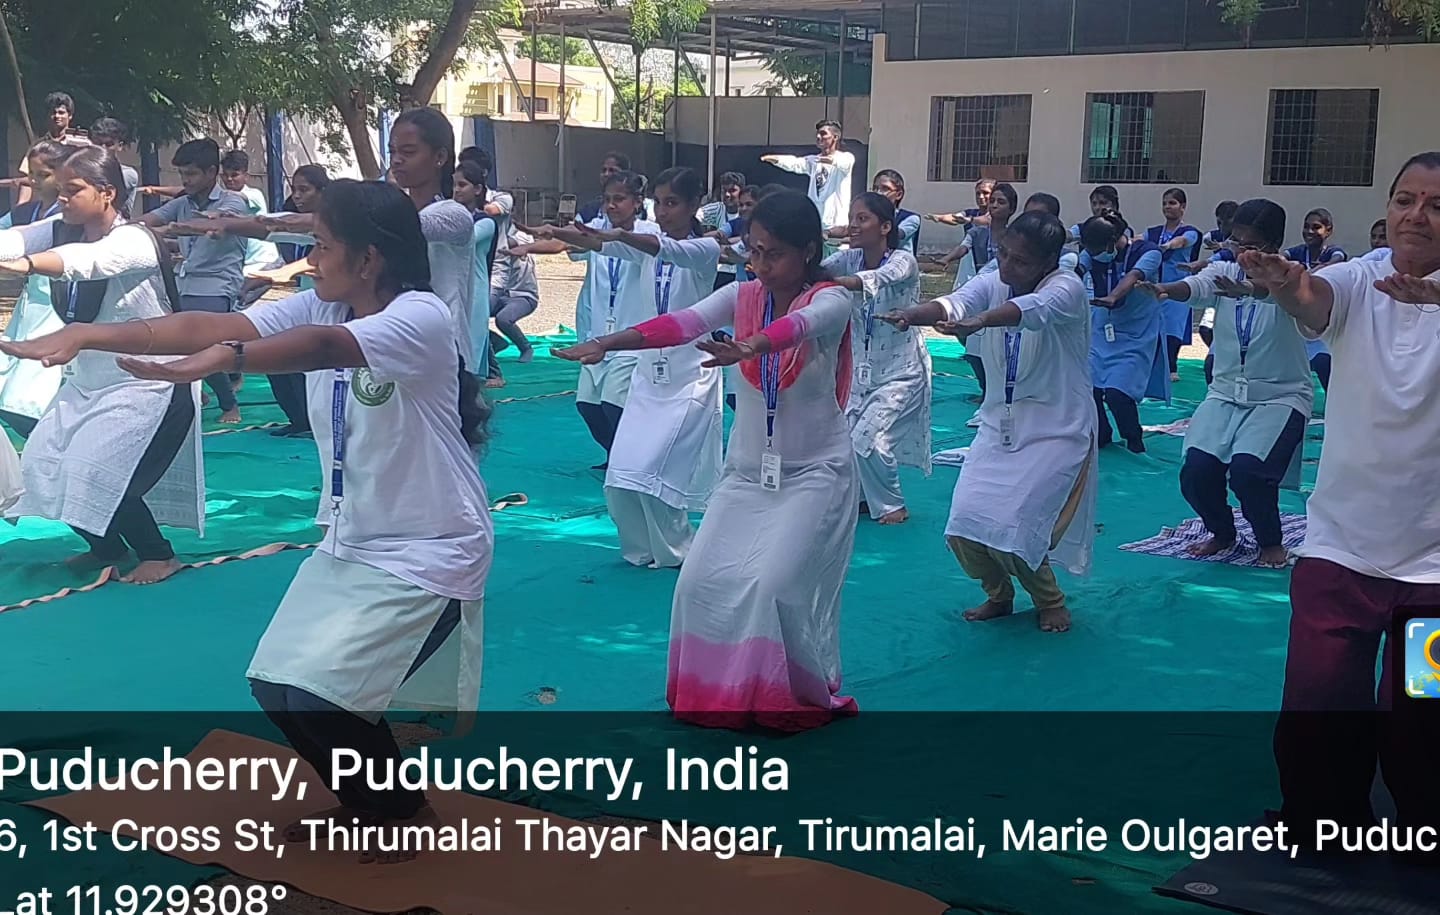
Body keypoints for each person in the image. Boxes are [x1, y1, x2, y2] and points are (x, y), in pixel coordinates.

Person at [14, 177, 491, 861]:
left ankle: (402, 813)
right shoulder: (325, 298)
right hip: (354, 536)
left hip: (431, 544)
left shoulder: (421, 316)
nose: (311, 259)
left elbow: (322, 347)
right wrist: (89, 333)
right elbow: (208, 325)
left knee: (324, 696)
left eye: (322, 246)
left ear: (368, 259)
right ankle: (367, 803)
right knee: (278, 684)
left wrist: (227, 360)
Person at [554, 190, 859, 729]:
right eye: (755, 251)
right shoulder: (742, 295)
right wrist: (609, 343)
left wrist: (751, 346)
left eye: (774, 254)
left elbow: (800, 327)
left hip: (816, 473)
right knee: (698, 584)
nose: (761, 265)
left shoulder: (832, 299)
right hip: (746, 473)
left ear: (809, 251)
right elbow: (682, 323)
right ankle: (715, 692)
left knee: (774, 587)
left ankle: (787, 694)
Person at [1240, 152, 1440, 842]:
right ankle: (1322, 822)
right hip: (1341, 552)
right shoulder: (1360, 277)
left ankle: (1424, 831)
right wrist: (1285, 284)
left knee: (1423, 717)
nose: (1417, 216)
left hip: (1434, 571)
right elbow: (1314, 298)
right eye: (1405, 200)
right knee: (1320, 703)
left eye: (1437, 206)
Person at [880, 211, 1095, 634]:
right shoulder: (995, 279)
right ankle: (999, 594)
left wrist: (981, 320)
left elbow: (1032, 309)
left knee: (1016, 525)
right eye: (1004, 253)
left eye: (1021, 260)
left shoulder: (1067, 287)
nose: (1008, 266)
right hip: (1000, 425)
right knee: (964, 523)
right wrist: (912, 314)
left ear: (1048, 262)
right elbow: (957, 301)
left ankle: (1050, 601)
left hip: (1058, 429)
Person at [0, 146, 204, 585]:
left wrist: (27, 265)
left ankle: (159, 555)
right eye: (60, 189)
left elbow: (88, 263)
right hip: (87, 383)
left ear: (107, 192)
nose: (62, 199)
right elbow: (13, 239)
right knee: (43, 463)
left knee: (100, 470)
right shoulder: (59, 229)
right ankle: (107, 548)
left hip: (150, 385)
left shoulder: (134, 240)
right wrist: (14, 253)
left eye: (73, 190)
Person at [554, 167, 724, 568]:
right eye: (659, 203)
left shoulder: (705, 249)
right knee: (620, 475)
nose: (662, 212)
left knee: (656, 472)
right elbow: (597, 245)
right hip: (649, 377)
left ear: (694, 205)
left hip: (689, 378)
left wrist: (618, 235)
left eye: (672, 203)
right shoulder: (644, 247)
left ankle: (679, 551)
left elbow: (665, 250)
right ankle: (641, 550)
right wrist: (554, 233)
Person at [1138, 199, 1311, 569]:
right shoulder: (1224, 269)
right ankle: (1222, 532)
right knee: (1196, 471)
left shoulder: (1293, 276)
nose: (1242, 251)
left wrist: (1250, 289)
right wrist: (1167, 288)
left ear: (1273, 243)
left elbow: (1281, 297)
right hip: (1225, 393)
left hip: (1279, 397)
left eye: (1252, 244)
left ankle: (1270, 541)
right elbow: (1199, 286)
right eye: (1236, 241)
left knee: (1250, 474)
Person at [515, 172, 659, 468]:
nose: (611, 205)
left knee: (614, 402)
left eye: (619, 199)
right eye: (607, 199)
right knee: (587, 405)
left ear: (637, 202)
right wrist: (530, 246)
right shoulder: (597, 229)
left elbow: (584, 240)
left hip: (631, 335)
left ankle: (632, 461)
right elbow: (565, 243)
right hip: (598, 332)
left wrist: (558, 233)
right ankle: (616, 456)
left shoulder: (649, 233)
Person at [824, 192, 929, 525]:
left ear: (885, 227)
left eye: (862, 219)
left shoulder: (903, 260)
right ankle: (861, 499)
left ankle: (892, 505)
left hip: (902, 373)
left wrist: (832, 284)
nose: (853, 226)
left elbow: (876, 279)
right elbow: (815, 272)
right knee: (844, 442)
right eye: (852, 219)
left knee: (869, 439)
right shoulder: (849, 258)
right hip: (862, 374)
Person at [137, 138, 249, 424]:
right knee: (175, 342)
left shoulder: (233, 201)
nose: (185, 180)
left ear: (211, 172)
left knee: (201, 345)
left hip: (218, 284)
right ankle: (197, 392)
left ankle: (229, 404)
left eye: (191, 174)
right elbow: (147, 221)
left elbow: (214, 225)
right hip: (184, 282)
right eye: (182, 174)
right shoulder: (182, 203)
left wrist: (171, 230)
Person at [0, 140, 72, 436]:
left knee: (31, 393)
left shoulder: (68, 216)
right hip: (31, 304)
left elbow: (22, 239)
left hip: (58, 305)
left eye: (43, 175)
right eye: (32, 174)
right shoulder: (27, 211)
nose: (34, 181)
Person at [1079, 212, 1167, 453]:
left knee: (1118, 392)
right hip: (1102, 328)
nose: (1094, 254)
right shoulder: (1092, 251)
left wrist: (1113, 296)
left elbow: (1133, 275)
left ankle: (1133, 437)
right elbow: (1076, 270)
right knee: (1089, 386)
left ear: (1113, 241)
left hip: (1136, 332)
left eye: (1098, 249)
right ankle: (1101, 433)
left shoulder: (1148, 252)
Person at [938, 182, 1019, 401]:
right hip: (982, 292)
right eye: (992, 201)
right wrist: (946, 259)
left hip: (1006, 294)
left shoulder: (1015, 236)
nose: (994, 205)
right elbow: (963, 247)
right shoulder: (977, 232)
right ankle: (986, 391)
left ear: (1012, 209)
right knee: (974, 351)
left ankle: (1003, 392)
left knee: (1001, 349)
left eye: (1001, 202)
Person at [1285, 208, 1348, 393]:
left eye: (1316, 227)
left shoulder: (1333, 252)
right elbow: (1281, 258)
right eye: (1306, 227)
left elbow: (1338, 260)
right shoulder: (1298, 251)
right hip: (1298, 326)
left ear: (1328, 231)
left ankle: (1334, 400)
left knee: (1323, 362)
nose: (1309, 231)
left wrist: (1311, 273)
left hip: (1323, 326)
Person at [761, 120, 855, 241]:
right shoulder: (814, 161)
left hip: (836, 227)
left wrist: (828, 160)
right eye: (818, 134)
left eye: (823, 134)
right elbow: (795, 163)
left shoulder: (845, 157)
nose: (818, 137)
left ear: (835, 137)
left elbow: (844, 163)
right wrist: (774, 159)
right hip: (816, 226)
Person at [1147, 188, 1204, 381]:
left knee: (1173, 328)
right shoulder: (1154, 232)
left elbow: (1182, 242)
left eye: (1172, 203)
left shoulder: (1190, 232)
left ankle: (1171, 366)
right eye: (1164, 203)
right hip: (1155, 287)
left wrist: (1168, 245)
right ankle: (1153, 367)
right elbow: (1138, 240)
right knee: (1153, 328)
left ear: (1183, 206)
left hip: (1179, 287)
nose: (1167, 207)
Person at [453, 159, 501, 387]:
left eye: (462, 185)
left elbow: (463, 240)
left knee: (470, 352)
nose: (456, 190)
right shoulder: (449, 217)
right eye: (454, 184)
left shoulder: (485, 222)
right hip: (452, 289)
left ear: (478, 189)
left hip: (474, 293)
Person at [14, 92, 87, 208]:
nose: (57, 116)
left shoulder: (80, 144)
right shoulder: (38, 145)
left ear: (70, 116)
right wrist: (21, 204)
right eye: (53, 112)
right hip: (43, 205)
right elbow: (27, 177)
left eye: (61, 113)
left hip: (72, 204)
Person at [220, 150, 283, 278]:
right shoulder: (223, 200)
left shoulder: (254, 194)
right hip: (246, 262)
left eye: (234, 175)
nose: (229, 179)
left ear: (246, 176)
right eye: (225, 175)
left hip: (264, 261)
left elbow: (238, 197)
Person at [487, 230, 539, 380]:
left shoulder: (522, 235)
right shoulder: (492, 232)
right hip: (499, 293)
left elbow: (510, 243)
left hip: (523, 295)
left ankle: (525, 348)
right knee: (472, 315)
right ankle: (496, 341)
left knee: (503, 319)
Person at [88, 119, 138, 216]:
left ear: (120, 146)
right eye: (98, 143)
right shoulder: (83, 169)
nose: (103, 148)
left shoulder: (127, 174)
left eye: (109, 144)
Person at [869, 170, 921, 256]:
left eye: (885, 189)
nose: (878, 193)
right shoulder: (870, 216)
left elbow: (895, 237)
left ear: (898, 194)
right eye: (875, 188)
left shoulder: (911, 218)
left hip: (900, 263)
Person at [578, 152, 631, 224]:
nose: (606, 174)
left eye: (612, 170)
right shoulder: (590, 208)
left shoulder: (638, 208)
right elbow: (574, 227)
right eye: (604, 170)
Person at [925, 178, 994, 228]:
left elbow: (987, 220)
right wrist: (940, 218)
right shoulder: (971, 213)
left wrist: (970, 220)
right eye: (978, 193)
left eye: (985, 193)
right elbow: (955, 218)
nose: (981, 197)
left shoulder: (997, 215)